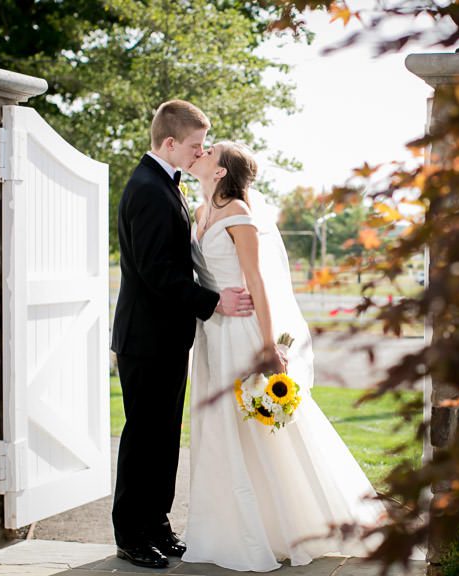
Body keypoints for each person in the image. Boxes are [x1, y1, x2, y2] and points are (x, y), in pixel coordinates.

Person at [181, 141, 385, 571]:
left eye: (211, 151)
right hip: (212, 332)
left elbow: (257, 281)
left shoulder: (239, 213)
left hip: (241, 332)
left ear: (220, 171)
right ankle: (227, 528)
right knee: (219, 431)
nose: (202, 152)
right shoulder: (200, 213)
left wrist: (268, 345)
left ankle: (298, 524)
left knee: (260, 430)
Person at [110, 101, 255, 569]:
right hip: (145, 339)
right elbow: (157, 273)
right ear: (170, 143)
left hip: (167, 337)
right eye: (195, 145)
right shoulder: (148, 189)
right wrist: (213, 302)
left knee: (164, 436)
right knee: (144, 438)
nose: (201, 153)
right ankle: (131, 535)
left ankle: (157, 524)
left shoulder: (165, 184)